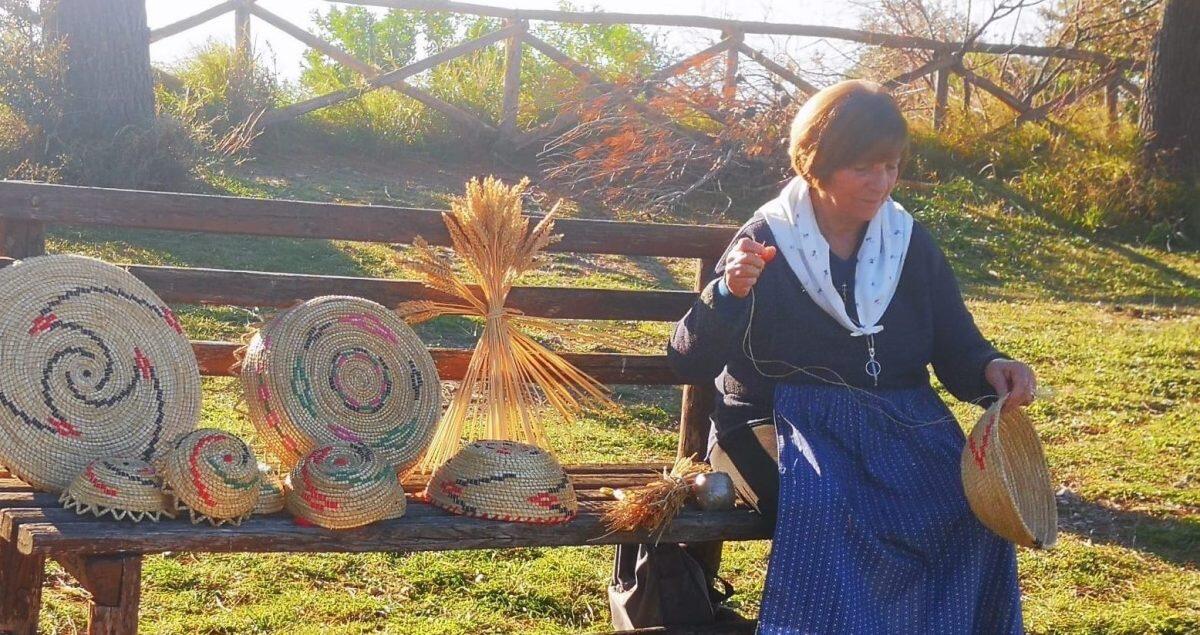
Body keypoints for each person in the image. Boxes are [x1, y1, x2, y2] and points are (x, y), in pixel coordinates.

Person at [667, 79, 1037, 633]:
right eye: (864, 166)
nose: (881, 182)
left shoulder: (907, 241)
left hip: (899, 421)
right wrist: (728, 294)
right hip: (780, 418)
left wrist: (991, 369)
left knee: (971, 513)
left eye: (890, 166)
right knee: (832, 509)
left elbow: (956, 344)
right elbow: (687, 363)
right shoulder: (767, 237)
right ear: (817, 160)